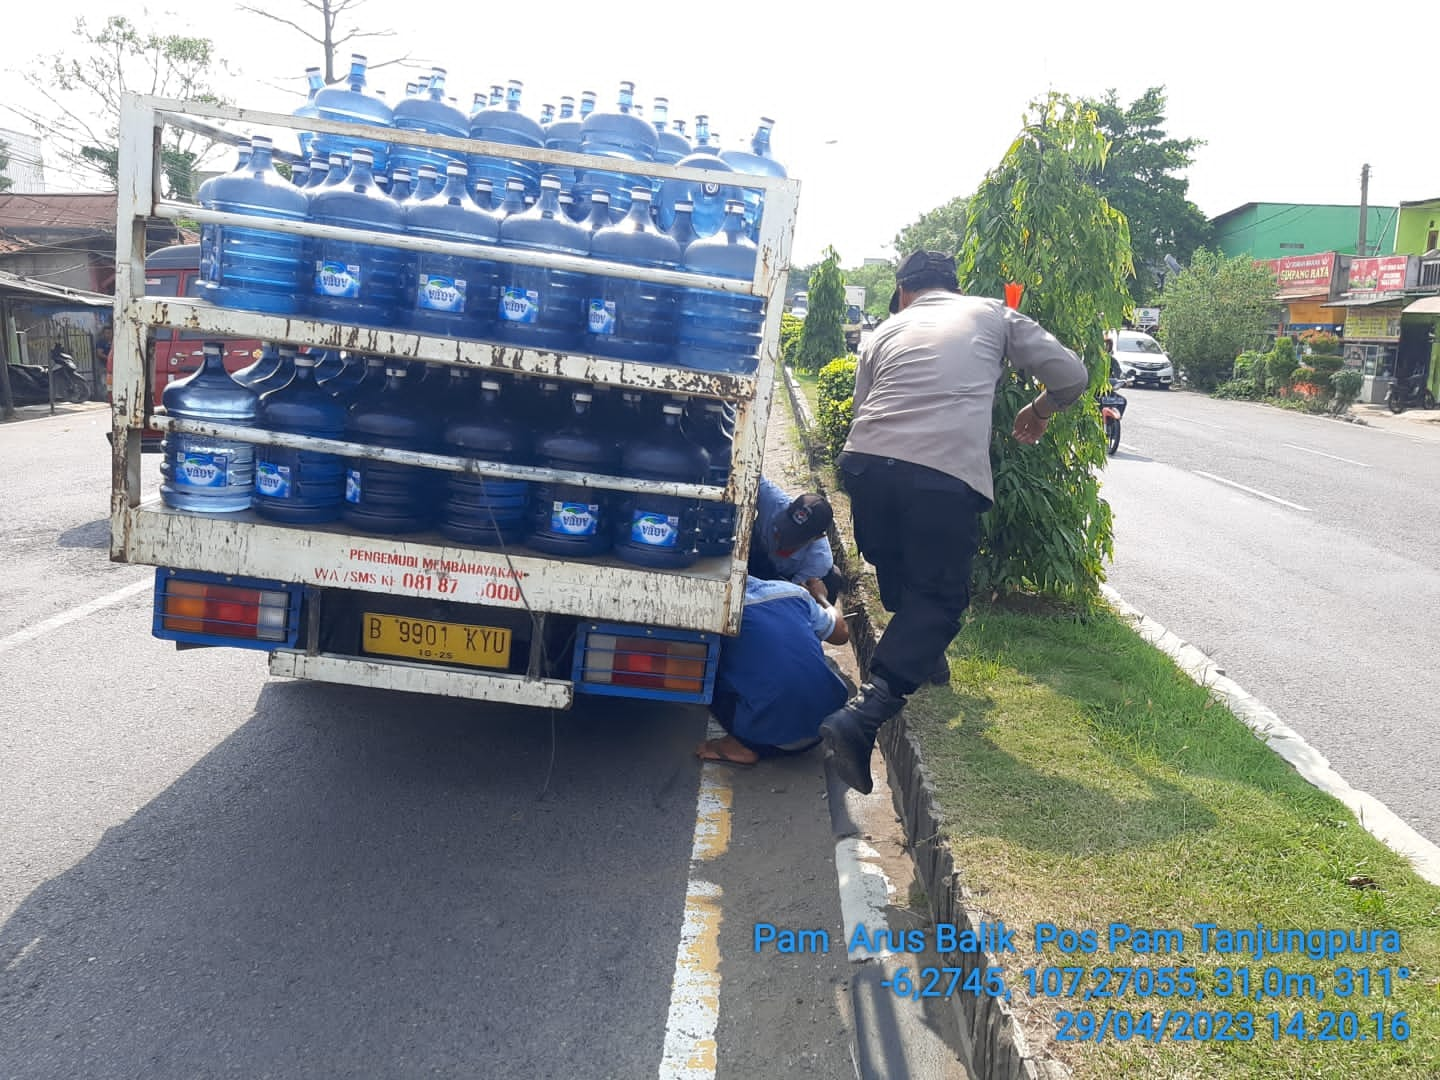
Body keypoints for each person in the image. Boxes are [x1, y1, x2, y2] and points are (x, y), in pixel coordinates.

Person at [819, 250, 1090, 795]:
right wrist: (1038, 410)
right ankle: (864, 718)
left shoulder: (883, 331)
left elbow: (861, 406)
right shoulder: (993, 313)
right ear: (953, 287)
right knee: (940, 599)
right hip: (942, 475)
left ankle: (926, 658)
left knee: (896, 565)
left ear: (902, 292)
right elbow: (1071, 375)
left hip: (866, 463)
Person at [697, 575, 850, 766]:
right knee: (819, 663)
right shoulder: (795, 593)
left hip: (771, 739)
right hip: (826, 725)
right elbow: (841, 634)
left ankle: (743, 745)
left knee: (705, 668)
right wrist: (820, 596)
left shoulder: (716, 606)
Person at [747, 477, 844, 604]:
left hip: (781, 579)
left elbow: (789, 597)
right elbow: (750, 473)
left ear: (816, 538)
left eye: (793, 538)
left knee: (833, 578)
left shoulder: (819, 562)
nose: (783, 539)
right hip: (753, 552)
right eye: (785, 529)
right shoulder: (773, 500)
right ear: (787, 508)